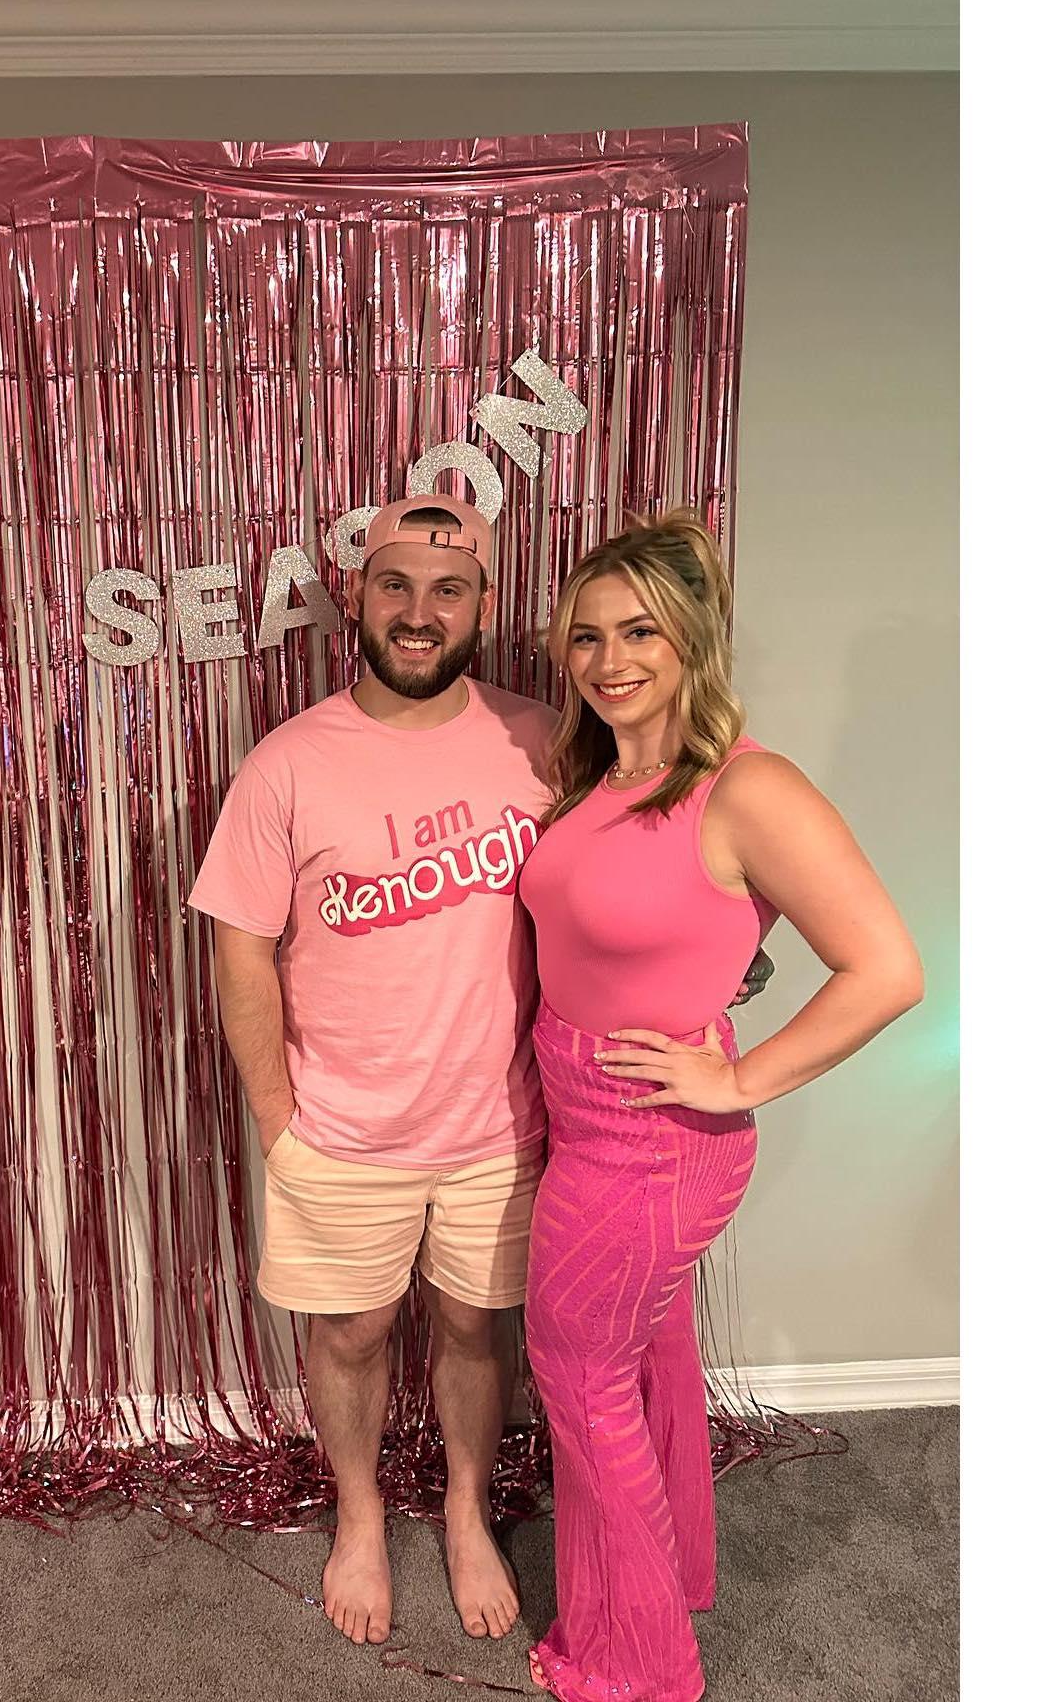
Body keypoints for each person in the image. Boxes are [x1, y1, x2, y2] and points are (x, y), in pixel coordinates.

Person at [187, 496, 767, 1650]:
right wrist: (277, 1120)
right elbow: (241, 950)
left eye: (448, 589)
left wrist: (734, 963)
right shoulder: (287, 764)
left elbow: (671, 845)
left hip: (510, 1126)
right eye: (396, 585)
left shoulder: (547, 741)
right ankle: (360, 1517)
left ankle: (464, 1511)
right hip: (341, 1130)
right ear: (356, 597)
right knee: (352, 1334)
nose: (420, 612)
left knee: (473, 1328)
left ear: (485, 606)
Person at [515, 512, 924, 1702]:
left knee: (578, 1376)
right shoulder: (598, 778)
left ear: (694, 638)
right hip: (580, 1114)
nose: (609, 660)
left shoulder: (748, 788)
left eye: (641, 631)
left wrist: (737, 1079)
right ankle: (674, 1577)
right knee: (641, 1360)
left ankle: (637, 1668)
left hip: (653, 1140)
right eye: (587, 636)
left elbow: (888, 970)